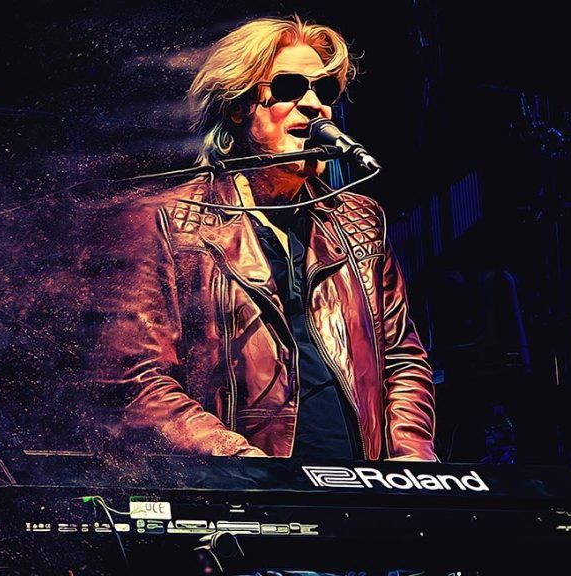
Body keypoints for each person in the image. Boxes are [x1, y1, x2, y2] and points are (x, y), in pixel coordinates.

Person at [93, 15, 436, 462]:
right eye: (291, 87)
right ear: (239, 106)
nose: (315, 105)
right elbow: (135, 379)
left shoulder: (359, 219)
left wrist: (411, 460)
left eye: (325, 91)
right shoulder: (168, 221)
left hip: (360, 483)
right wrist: (238, 461)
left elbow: (401, 358)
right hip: (245, 483)